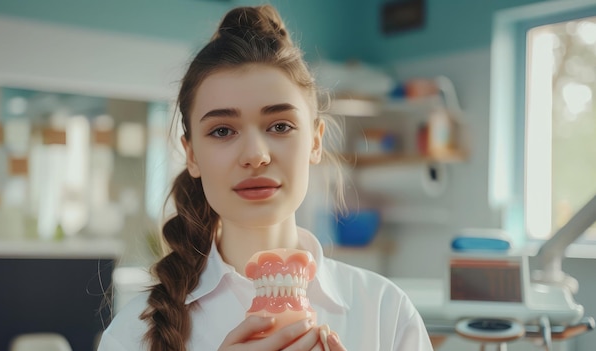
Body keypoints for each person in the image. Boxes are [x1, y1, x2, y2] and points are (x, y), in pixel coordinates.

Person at [98, 5, 434, 351]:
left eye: (280, 126)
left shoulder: (387, 312)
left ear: (315, 142)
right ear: (192, 154)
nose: (255, 155)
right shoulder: (130, 335)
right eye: (223, 130)